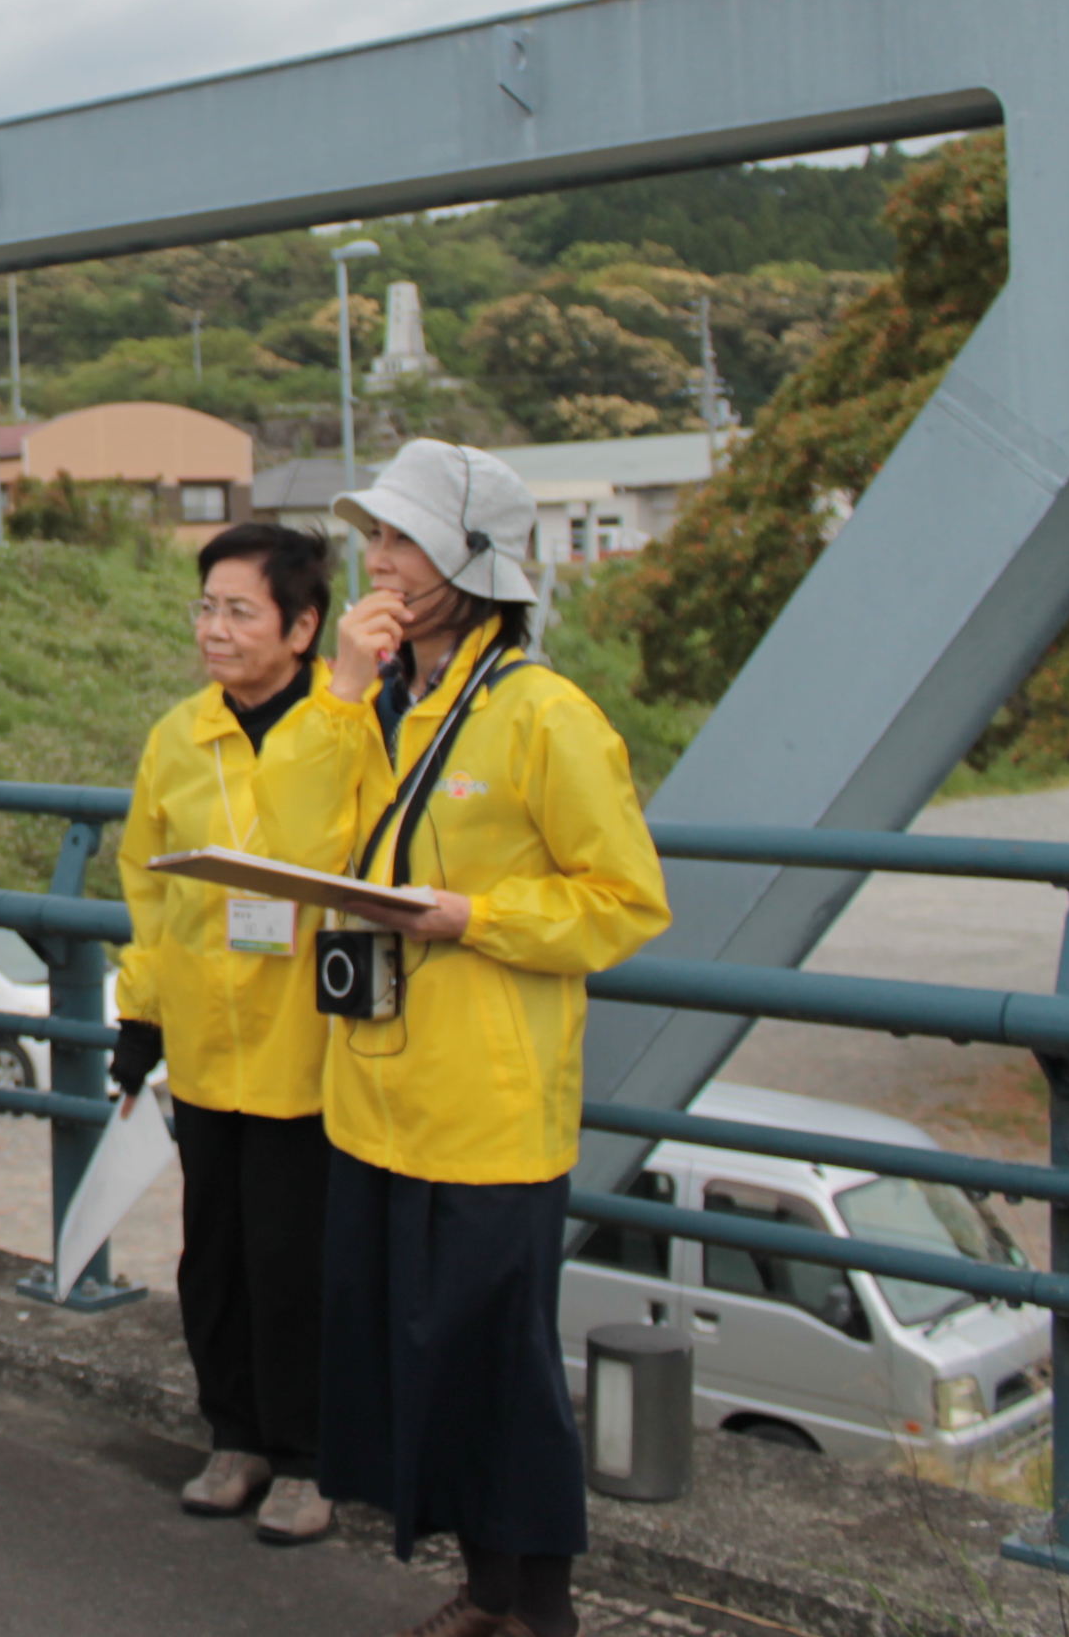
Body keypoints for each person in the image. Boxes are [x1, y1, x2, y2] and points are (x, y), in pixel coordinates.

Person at [316, 441, 670, 1637]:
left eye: (404, 540)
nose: (378, 559)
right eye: (375, 536)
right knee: (413, 1352)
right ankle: (479, 1585)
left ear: (474, 562)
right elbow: (311, 841)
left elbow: (622, 900)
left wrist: (479, 915)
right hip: (374, 1087)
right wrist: (336, 702)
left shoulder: (542, 714)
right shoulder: (378, 706)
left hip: (489, 1105)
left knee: (497, 1369)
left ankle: (537, 1607)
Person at [113, 522, 381, 1544]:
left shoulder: (349, 724)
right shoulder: (179, 734)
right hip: (207, 1041)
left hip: (310, 1049)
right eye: (204, 608)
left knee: (295, 1260)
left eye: (238, 611)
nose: (214, 631)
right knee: (211, 1255)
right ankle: (235, 1433)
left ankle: (311, 1457)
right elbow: (145, 884)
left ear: (303, 626)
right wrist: (139, 1012)